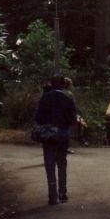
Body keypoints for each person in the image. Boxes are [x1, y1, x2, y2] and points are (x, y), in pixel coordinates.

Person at [34, 74, 77, 205]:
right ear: (63, 84)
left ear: (51, 84)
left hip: (49, 135)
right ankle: (63, 192)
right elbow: (72, 120)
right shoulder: (68, 98)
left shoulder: (45, 98)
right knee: (62, 163)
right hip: (63, 134)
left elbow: (38, 118)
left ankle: (53, 196)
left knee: (50, 164)